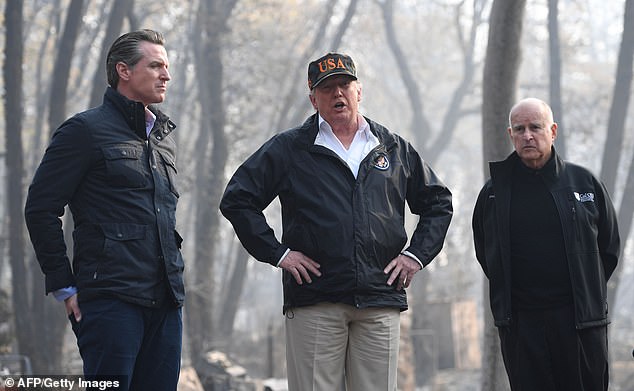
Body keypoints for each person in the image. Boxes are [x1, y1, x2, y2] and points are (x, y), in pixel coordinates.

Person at [220, 52, 452, 391]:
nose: (337, 94)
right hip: (316, 298)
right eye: (327, 88)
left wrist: (414, 256)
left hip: (379, 299)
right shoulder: (289, 149)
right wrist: (279, 254)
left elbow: (438, 202)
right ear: (313, 98)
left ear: (360, 91)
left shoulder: (393, 148)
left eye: (344, 85)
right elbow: (238, 199)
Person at [25, 29, 184, 391]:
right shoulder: (83, 131)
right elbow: (40, 208)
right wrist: (64, 285)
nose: (166, 75)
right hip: (111, 302)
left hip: (167, 300)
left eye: (167, 66)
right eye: (156, 65)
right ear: (124, 71)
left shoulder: (164, 138)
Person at [472, 98, 620, 390]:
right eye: (520, 129)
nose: (528, 135)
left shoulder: (585, 183)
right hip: (522, 327)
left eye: (535, 127)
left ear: (553, 131)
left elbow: (609, 248)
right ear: (510, 135)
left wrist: (586, 289)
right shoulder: (493, 194)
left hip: (580, 323)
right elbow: (486, 254)